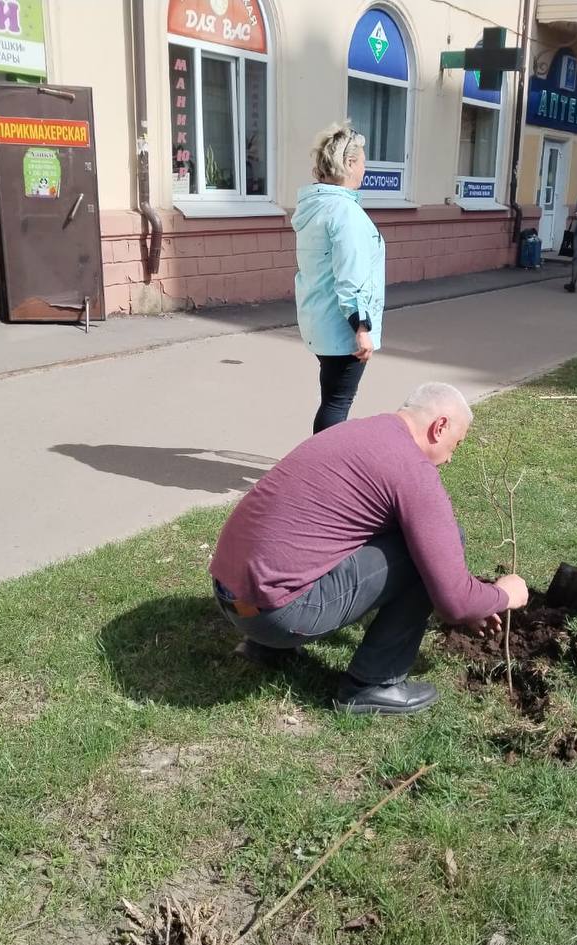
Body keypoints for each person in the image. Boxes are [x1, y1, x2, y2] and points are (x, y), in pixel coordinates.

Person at [209, 383, 530, 714]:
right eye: (456, 445)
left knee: (398, 539)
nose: (449, 459)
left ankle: (267, 649)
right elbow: (455, 604)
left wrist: (469, 601)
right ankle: (373, 684)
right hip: (276, 615)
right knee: (437, 544)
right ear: (440, 427)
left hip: (231, 594)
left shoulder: (362, 431)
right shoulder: (412, 471)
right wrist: (504, 595)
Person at [292, 121, 385, 433]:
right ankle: (323, 472)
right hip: (341, 327)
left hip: (319, 319)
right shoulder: (345, 213)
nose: (364, 170)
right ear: (348, 163)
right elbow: (351, 273)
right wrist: (361, 327)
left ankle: (320, 466)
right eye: (362, 162)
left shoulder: (316, 207)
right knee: (337, 402)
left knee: (331, 398)